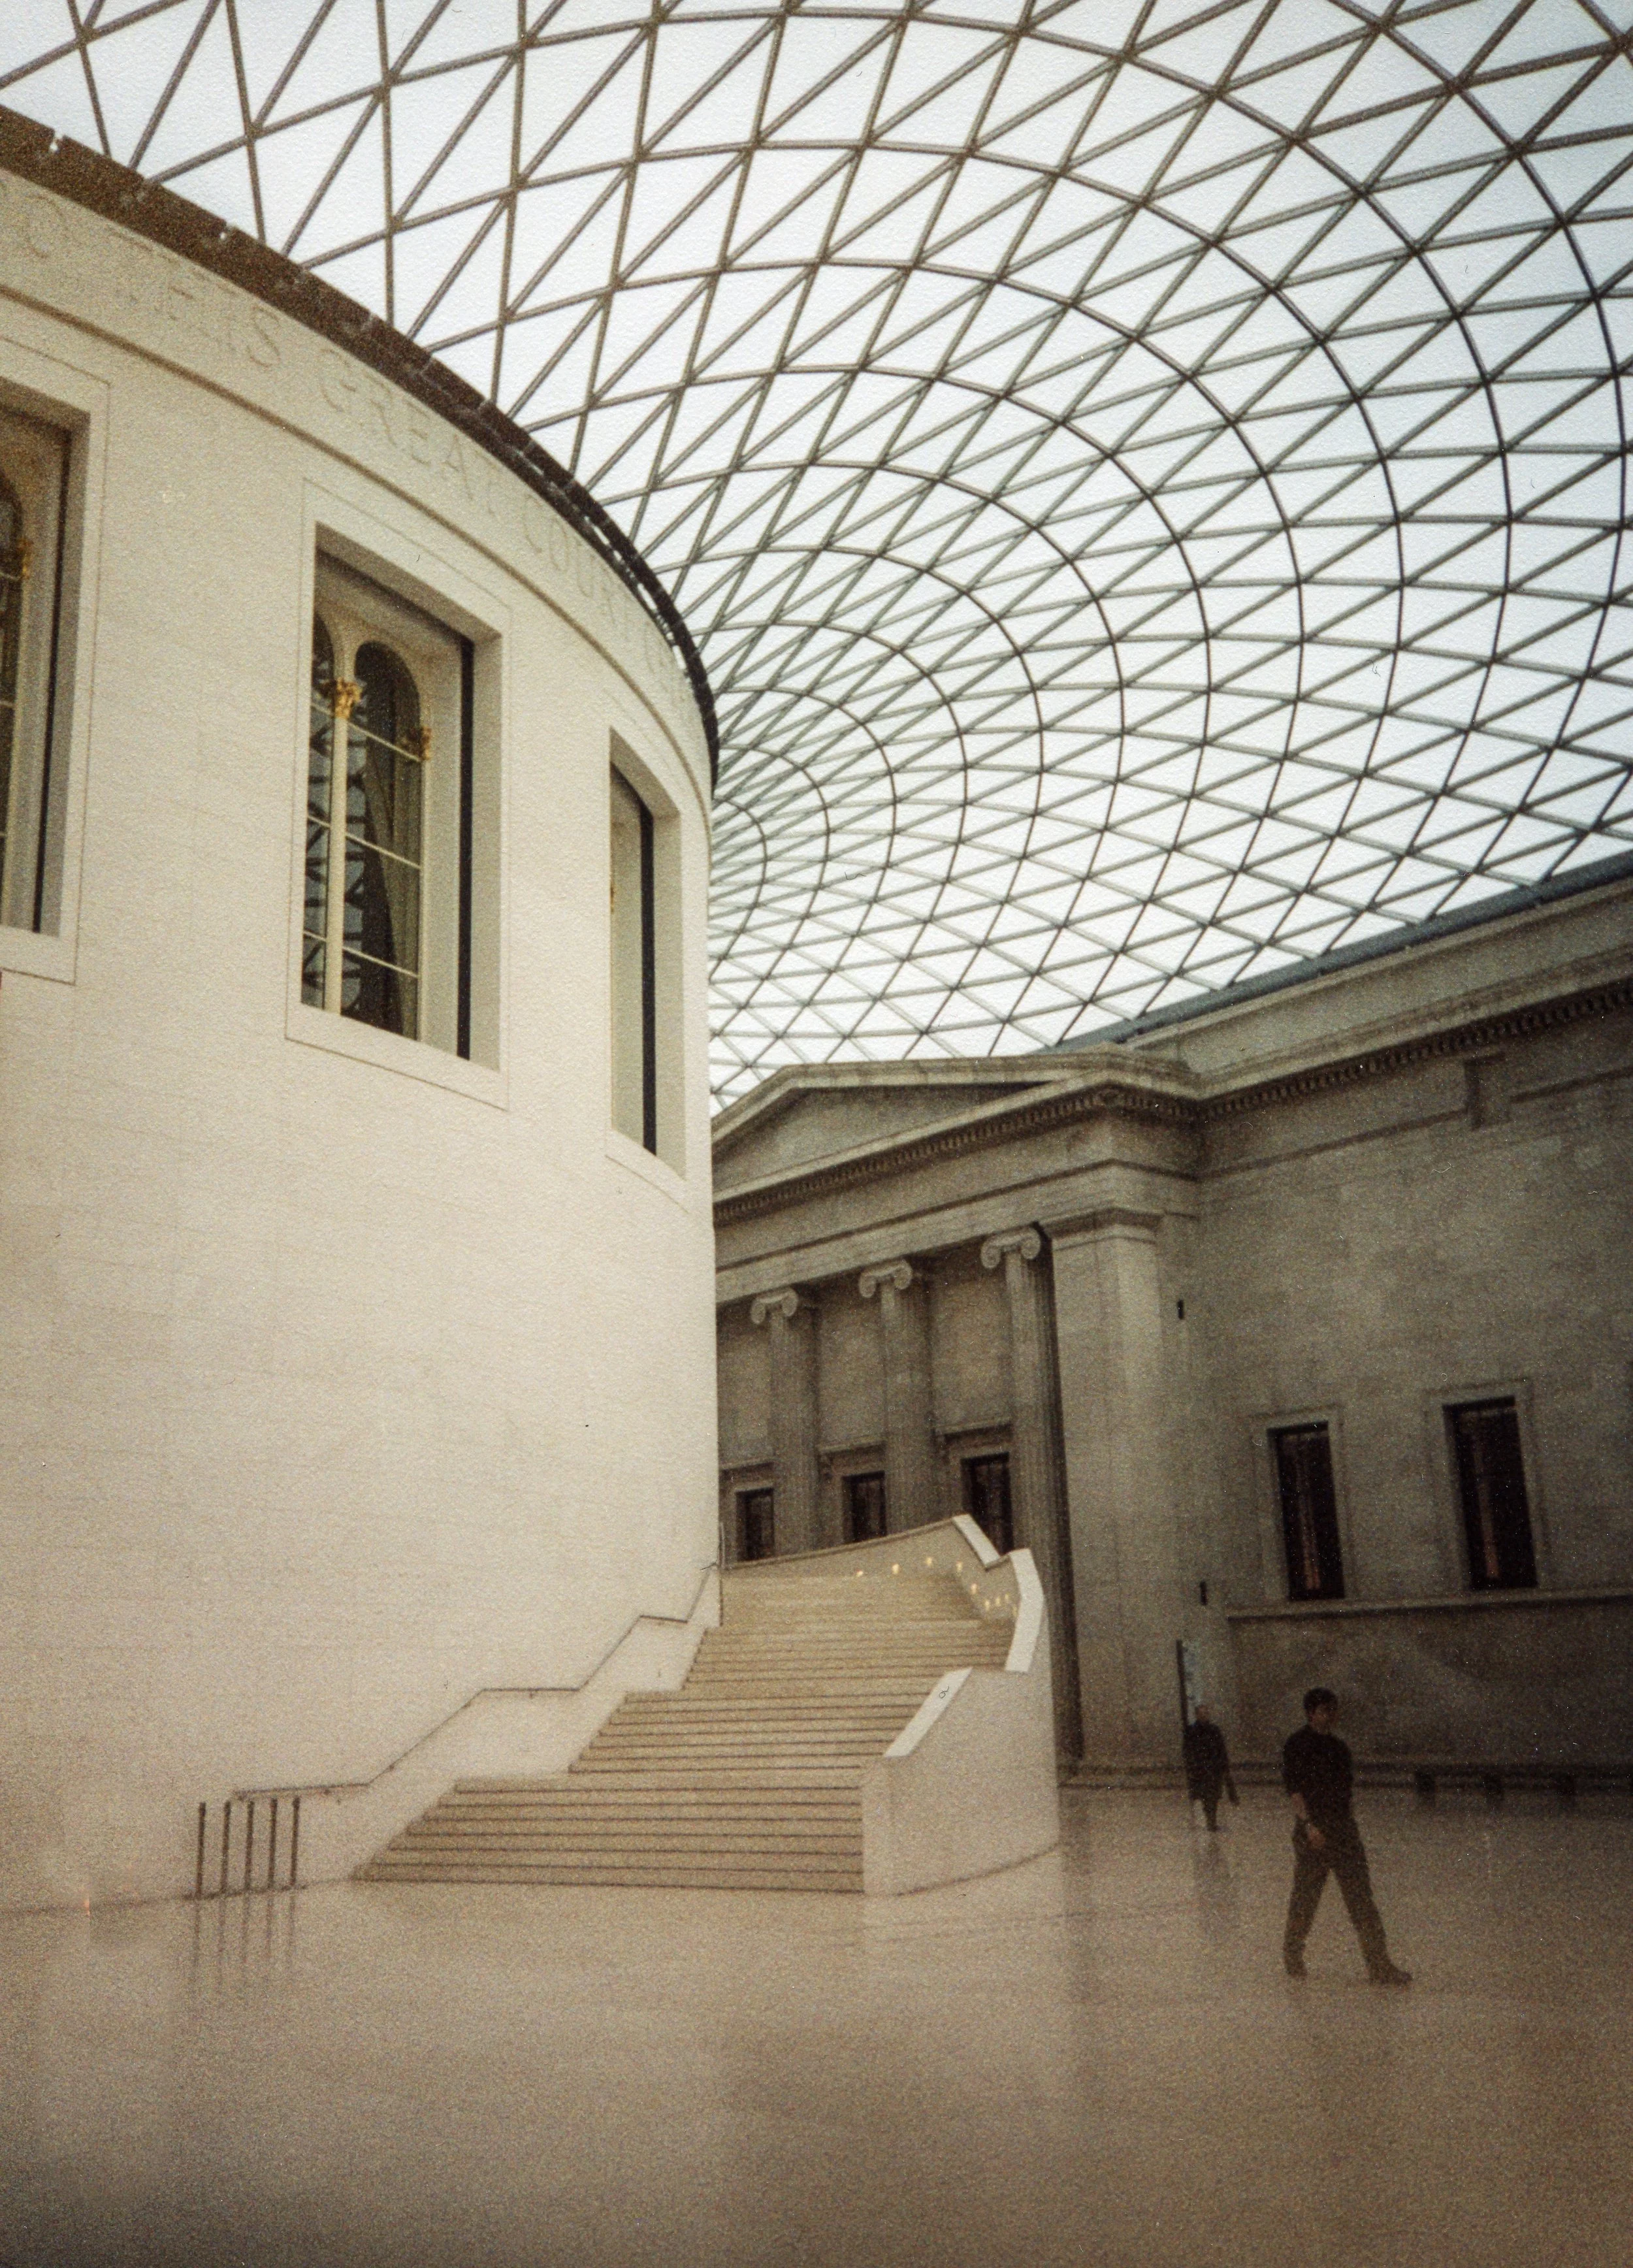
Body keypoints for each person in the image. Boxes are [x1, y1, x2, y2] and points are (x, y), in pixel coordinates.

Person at [1282, 1687, 1411, 1986]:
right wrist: (1308, 1825)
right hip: (1313, 1831)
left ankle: (1379, 1964)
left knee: (1361, 1900)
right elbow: (1295, 1790)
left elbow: (1344, 1794)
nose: (1333, 1715)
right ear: (1312, 1713)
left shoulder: (1340, 1748)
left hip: (1343, 1832)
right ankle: (1292, 1951)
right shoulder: (1297, 1745)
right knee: (1306, 1898)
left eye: (1334, 1709)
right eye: (1327, 1710)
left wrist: (1348, 1830)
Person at [1182, 1703, 1237, 1831]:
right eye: (1202, 1714)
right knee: (1205, 1796)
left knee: (1212, 1796)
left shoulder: (1214, 1730)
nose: (1204, 1716)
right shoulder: (1191, 1731)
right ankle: (1209, 1821)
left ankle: (1211, 1821)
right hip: (1200, 1769)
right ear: (1197, 1715)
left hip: (1213, 1769)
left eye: (1206, 1714)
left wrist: (1223, 1765)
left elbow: (1221, 1749)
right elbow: (1187, 1751)